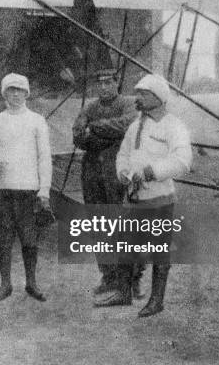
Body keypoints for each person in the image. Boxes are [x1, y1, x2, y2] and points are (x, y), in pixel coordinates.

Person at [109, 73, 192, 317]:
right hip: (133, 199)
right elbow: (123, 155)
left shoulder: (174, 126)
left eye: (143, 94)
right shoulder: (135, 126)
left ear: (158, 97)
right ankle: (124, 293)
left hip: (160, 199)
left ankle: (157, 301)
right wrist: (124, 172)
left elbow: (183, 161)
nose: (138, 98)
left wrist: (150, 172)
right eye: (138, 93)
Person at [71, 69, 143, 305]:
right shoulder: (89, 107)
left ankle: (133, 279)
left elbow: (126, 126)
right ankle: (109, 276)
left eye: (108, 82)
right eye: (100, 83)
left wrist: (96, 129)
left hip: (117, 171)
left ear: (117, 83)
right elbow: (78, 135)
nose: (103, 87)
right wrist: (102, 134)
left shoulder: (129, 104)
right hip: (92, 172)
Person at [0, 73, 52, 303]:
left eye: (20, 90)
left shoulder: (37, 121)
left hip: (29, 190)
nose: (15, 94)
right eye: (11, 90)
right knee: (3, 238)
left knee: (29, 238)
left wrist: (44, 189)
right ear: (4, 93)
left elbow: (44, 157)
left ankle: (31, 283)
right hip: (3, 189)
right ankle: (5, 283)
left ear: (26, 93)